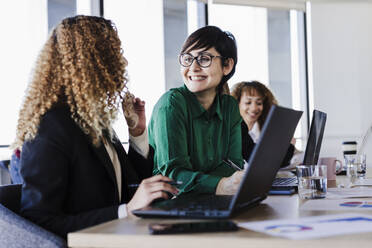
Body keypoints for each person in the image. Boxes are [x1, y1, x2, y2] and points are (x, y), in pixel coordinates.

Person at [11, 15, 178, 239]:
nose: (123, 62)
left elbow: (130, 186)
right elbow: (39, 222)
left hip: (123, 238)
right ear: (91, 62)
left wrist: (137, 133)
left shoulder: (91, 119)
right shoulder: (49, 128)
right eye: (114, 54)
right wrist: (125, 212)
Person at [148, 26, 244, 196]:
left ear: (227, 65)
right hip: (171, 207)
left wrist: (220, 184)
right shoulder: (171, 105)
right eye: (187, 59)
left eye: (204, 59)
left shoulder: (229, 106)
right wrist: (220, 185)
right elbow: (173, 175)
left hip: (213, 201)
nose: (193, 68)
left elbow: (233, 164)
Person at [231, 81, 295, 166]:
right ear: (236, 103)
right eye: (248, 102)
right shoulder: (233, 131)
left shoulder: (269, 129)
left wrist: (288, 145)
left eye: (259, 103)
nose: (254, 108)